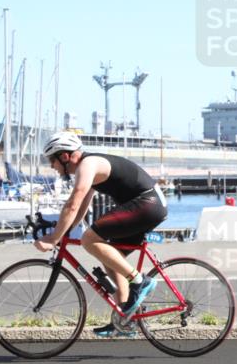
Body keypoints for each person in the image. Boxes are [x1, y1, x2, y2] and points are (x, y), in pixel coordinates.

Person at [33, 132, 168, 337]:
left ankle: (140, 281)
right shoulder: (88, 168)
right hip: (150, 205)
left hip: (147, 204)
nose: (52, 166)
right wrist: (64, 231)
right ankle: (125, 320)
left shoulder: (88, 165)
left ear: (64, 156)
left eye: (52, 160)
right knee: (110, 257)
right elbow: (80, 209)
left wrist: (54, 238)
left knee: (89, 239)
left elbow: (72, 203)